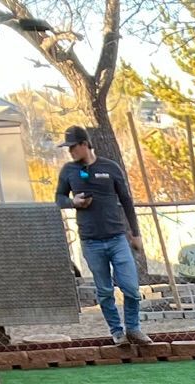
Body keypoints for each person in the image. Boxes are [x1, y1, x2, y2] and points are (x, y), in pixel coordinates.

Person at [55, 126, 148, 355]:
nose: (70, 152)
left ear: (84, 144)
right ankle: (117, 331)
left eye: (73, 147)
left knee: (131, 287)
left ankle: (133, 328)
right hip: (91, 241)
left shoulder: (110, 167)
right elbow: (58, 198)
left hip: (117, 238)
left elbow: (126, 200)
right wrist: (73, 202)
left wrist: (135, 233)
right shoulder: (69, 171)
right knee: (105, 290)